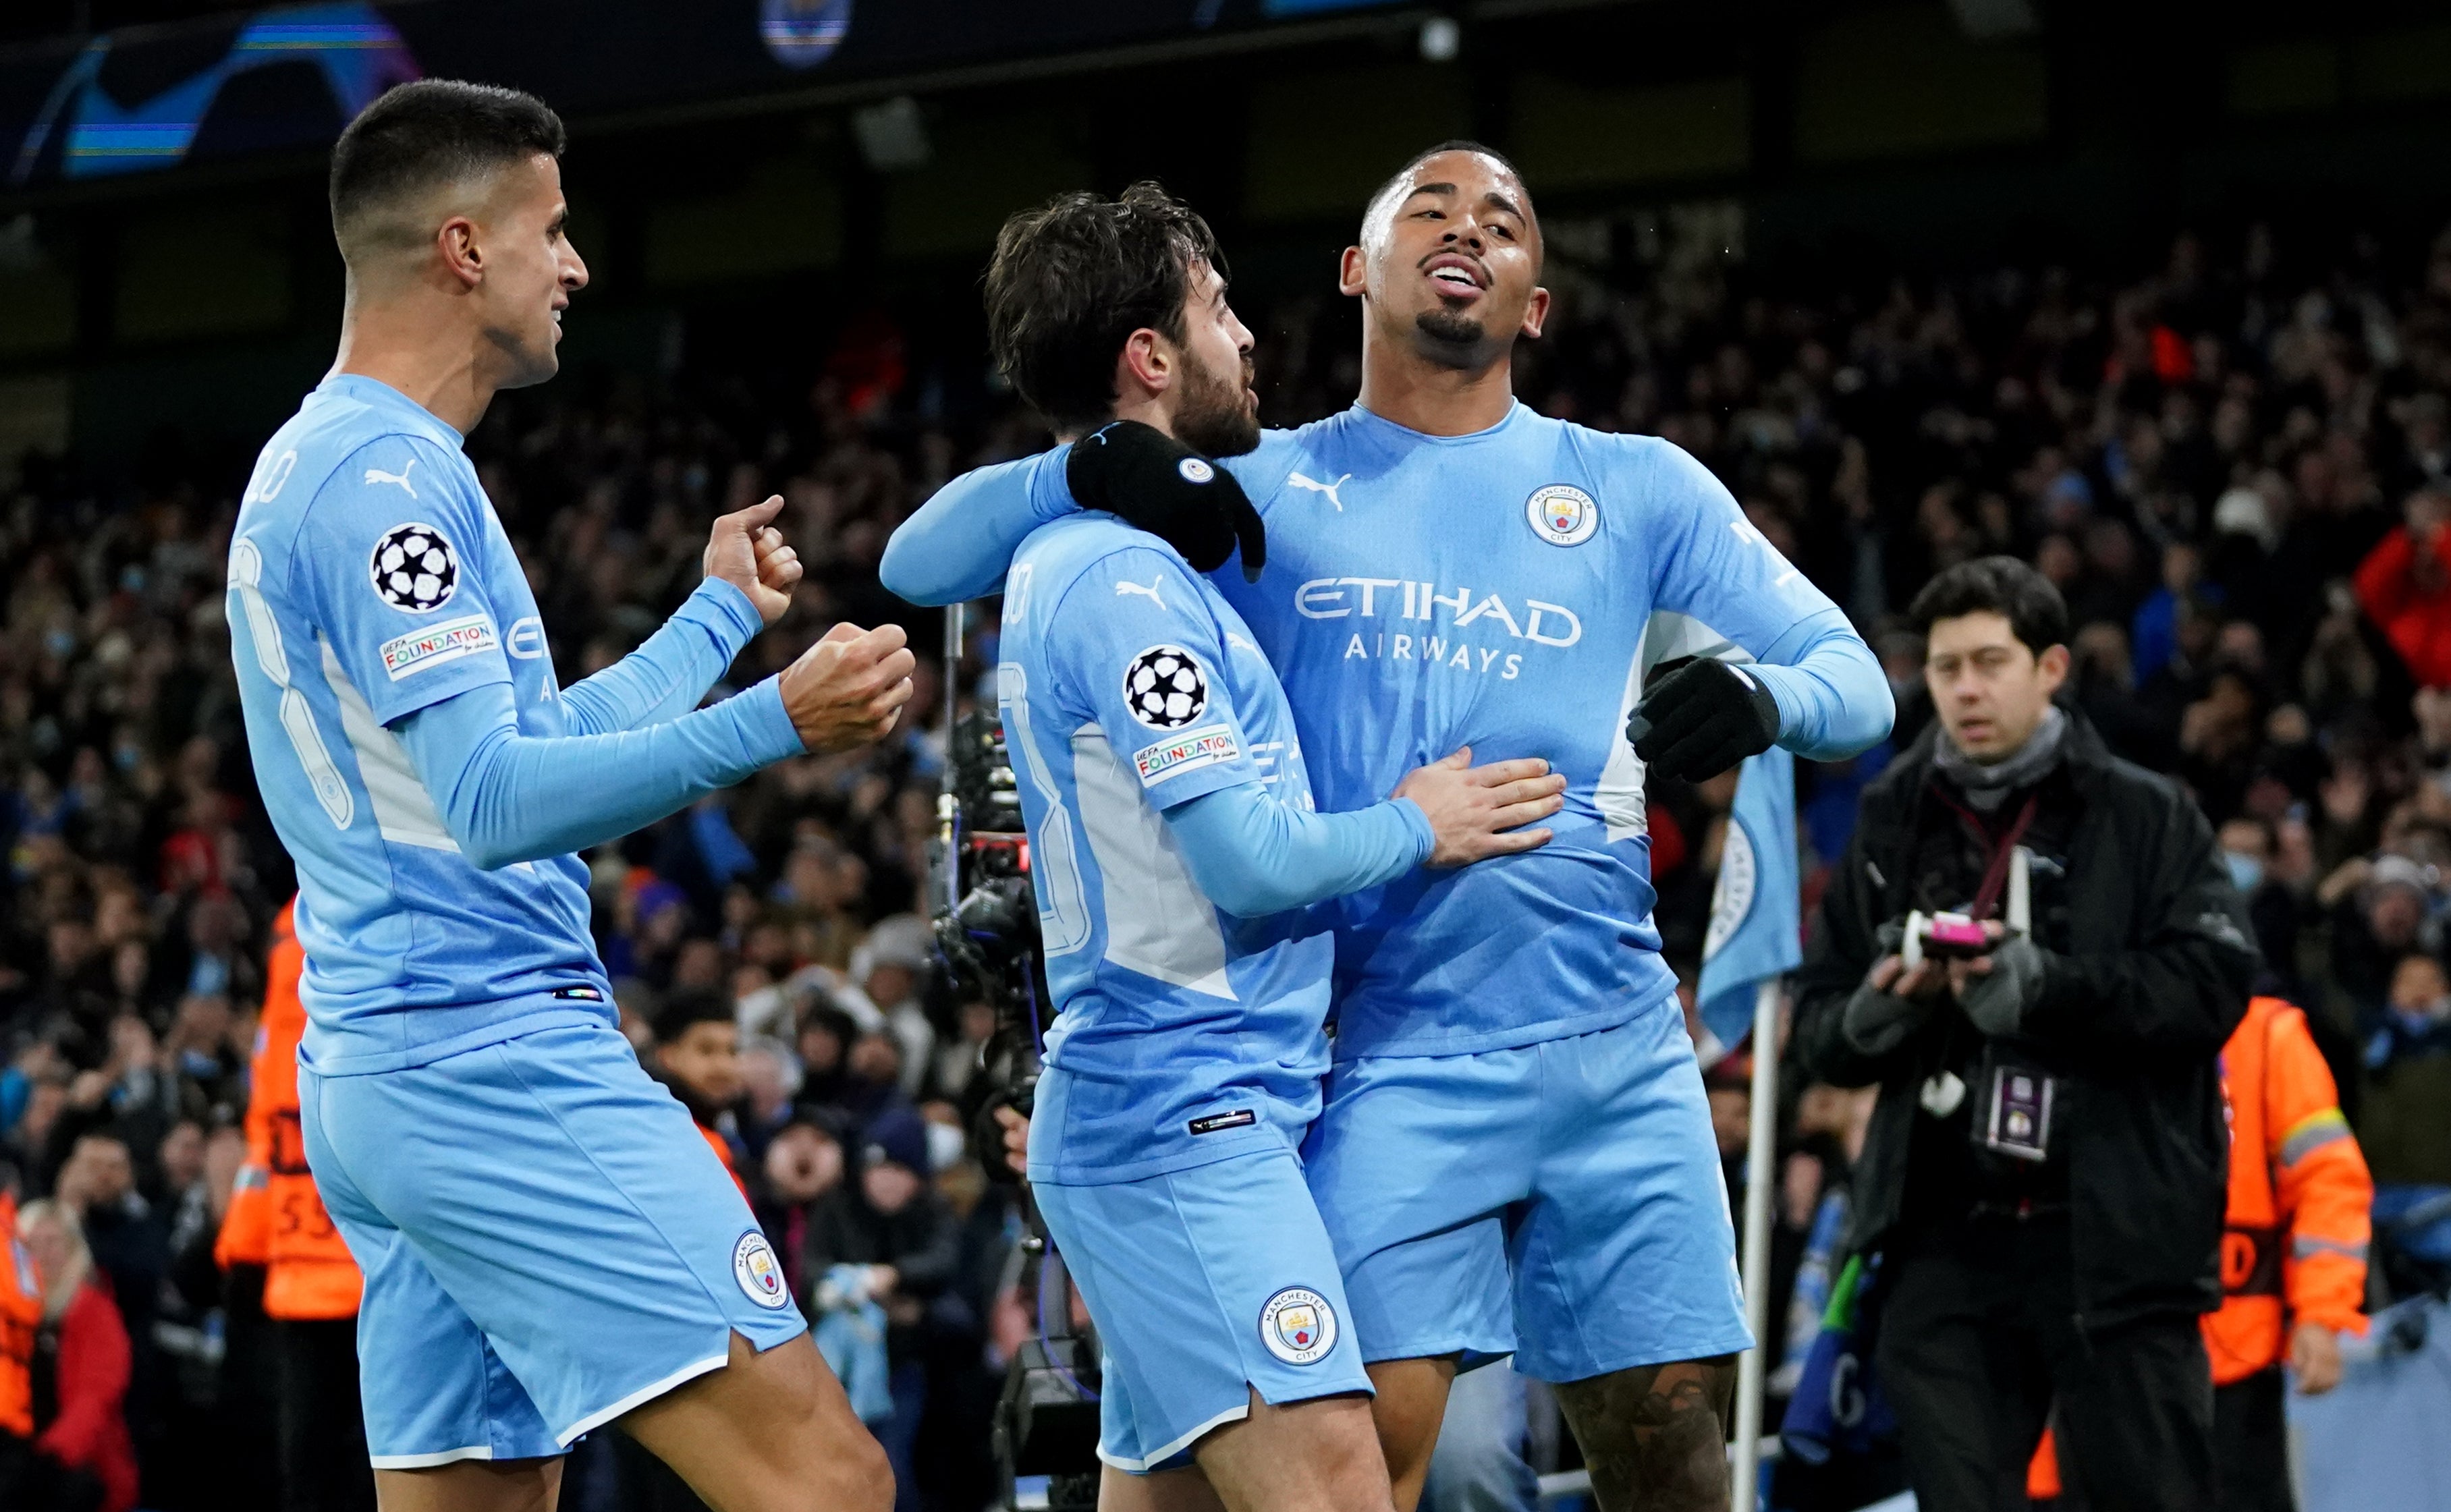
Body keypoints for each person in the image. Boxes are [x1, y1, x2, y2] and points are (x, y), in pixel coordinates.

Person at [886, 146, 1894, 1511]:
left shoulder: (1639, 486)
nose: (1467, 228)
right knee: (1374, 1463)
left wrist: (1757, 694)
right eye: (1429, 209)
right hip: (1383, 1057)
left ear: (1535, 301)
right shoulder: (1253, 485)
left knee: (1671, 1452)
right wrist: (1096, 470)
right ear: (1357, 270)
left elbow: (1858, 688)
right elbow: (919, 561)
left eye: (1504, 221)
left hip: (1616, 1051)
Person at [225, 80, 916, 1511]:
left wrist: (716, 618)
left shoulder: (341, 460)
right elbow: (493, 802)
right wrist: (774, 721)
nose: (578, 264)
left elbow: (524, 746)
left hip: (389, 1065)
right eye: (552, 230)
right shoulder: (385, 487)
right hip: (489, 1061)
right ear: (465, 249)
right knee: (830, 1483)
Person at [979, 182, 1570, 1512]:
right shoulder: (1123, 587)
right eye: (1217, 312)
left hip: (1183, 1113)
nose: (1248, 338)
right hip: (1181, 1122)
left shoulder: (1095, 557)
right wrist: (1422, 821)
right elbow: (1242, 860)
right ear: (1149, 358)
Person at [1792, 557, 2257, 1512]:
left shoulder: (2149, 810)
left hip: (2117, 1237)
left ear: (2050, 668)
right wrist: (1878, 1012)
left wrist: (2049, 989)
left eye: (1989, 662)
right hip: (1940, 1234)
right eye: (1946, 666)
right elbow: (1820, 1024)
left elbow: (2214, 983)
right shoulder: (1890, 816)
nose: (1963, 687)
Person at [217, 897, 375, 1512]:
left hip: (311, 1262)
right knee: (377, 1457)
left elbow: (270, 1119)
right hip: (363, 1261)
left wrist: (245, 1242)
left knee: (317, 1458)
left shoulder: (294, 936)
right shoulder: (313, 932)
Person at [16, 1200, 138, 1512]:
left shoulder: (95, 1311)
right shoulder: (11, 1312)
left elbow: (97, 1396)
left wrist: (53, 1456)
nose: (42, 1253)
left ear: (73, 1248)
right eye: (32, 1243)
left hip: (77, 1461)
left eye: (53, 1242)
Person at [651, 988, 750, 1193]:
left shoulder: (734, 1130)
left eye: (732, 1051)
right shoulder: (657, 1136)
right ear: (667, 1055)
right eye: (706, 1050)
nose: (724, 1066)